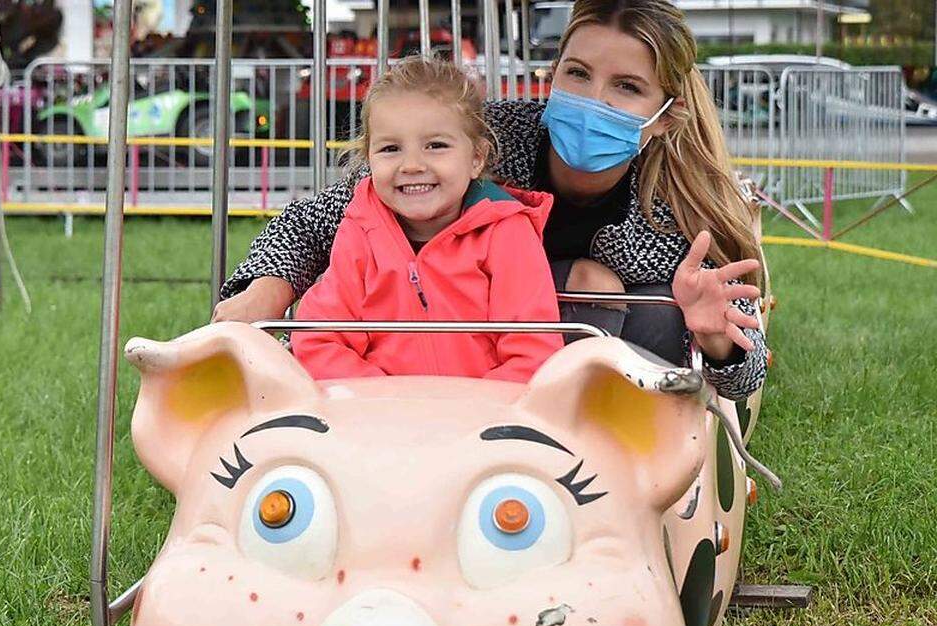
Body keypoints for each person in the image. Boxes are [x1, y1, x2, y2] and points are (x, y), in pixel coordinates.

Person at [216, 0, 767, 401]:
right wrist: (266, 287)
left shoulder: (684, 204)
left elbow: (748, 372)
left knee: (621, 294)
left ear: (665, 114)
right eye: (578, 74)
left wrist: (720, 342)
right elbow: (332, 212)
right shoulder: (487, 140)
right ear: (552, 78)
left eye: (626, 86)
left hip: (578, 362)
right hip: (460, 351)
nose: (593, 99)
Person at [291, 56, 562, 382]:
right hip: (376, 418)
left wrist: (474, 414)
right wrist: (385, 400)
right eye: (391, 149)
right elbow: (320, 338)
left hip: (483, 419)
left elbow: (534, 352)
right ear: (369, 159)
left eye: (435, 145)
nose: (412, 165)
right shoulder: (361, 230)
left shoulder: (507, 232)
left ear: (476, 158)